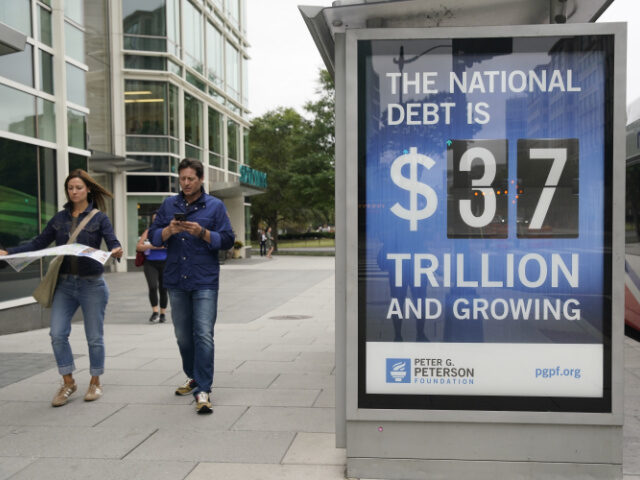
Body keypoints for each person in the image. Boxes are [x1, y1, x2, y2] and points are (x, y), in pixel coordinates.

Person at [0, 169, 123, 406]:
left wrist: (116, 251)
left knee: (94, 337)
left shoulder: (99, 218)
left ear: (87, 189)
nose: (74, 191)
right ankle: (68, 382)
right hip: (65, 284)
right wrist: (9, 253)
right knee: (57, 333)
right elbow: (39, 243)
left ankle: (95, 381)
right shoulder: (59, 218)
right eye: (70, 188)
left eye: (78, 187)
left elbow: (113, 242)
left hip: (92, 284)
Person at [148, 158, 234, 414]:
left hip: (204, 280)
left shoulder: (215, 206)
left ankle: (204, 389)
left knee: (203, 334)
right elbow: (152, 236)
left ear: (201, 179)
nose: (185, 183)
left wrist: (203, 233)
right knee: (183, 336)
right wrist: (168, 231)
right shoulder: (168, 204)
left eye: (191, 179)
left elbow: (228, 240)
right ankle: (194, 375)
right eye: (182, 178)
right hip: (176, 279)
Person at [136, 213, 168, 323]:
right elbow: (139, 247)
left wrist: (160, 246)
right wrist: (153, 246)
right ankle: (155, 312)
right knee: (153, 286)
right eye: (154, 219)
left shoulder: (167, 232)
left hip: (165, 263)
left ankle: (163, 313)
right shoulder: (148, 231)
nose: (156, 220)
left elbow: (173, 246)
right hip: (150, 263)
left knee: (163, 289)